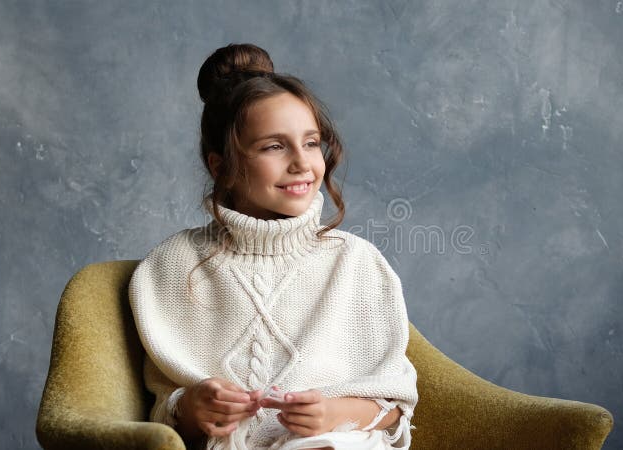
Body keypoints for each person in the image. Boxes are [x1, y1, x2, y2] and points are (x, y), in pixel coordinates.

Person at [128, 43, 418, 450]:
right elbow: (166, 417)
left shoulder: (356, 262)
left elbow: (393, 400)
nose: (301, 162)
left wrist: (334, 413)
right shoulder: (174, 267)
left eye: (312, 142)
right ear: (222, 166)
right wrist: (194, 408)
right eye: (274, 146)